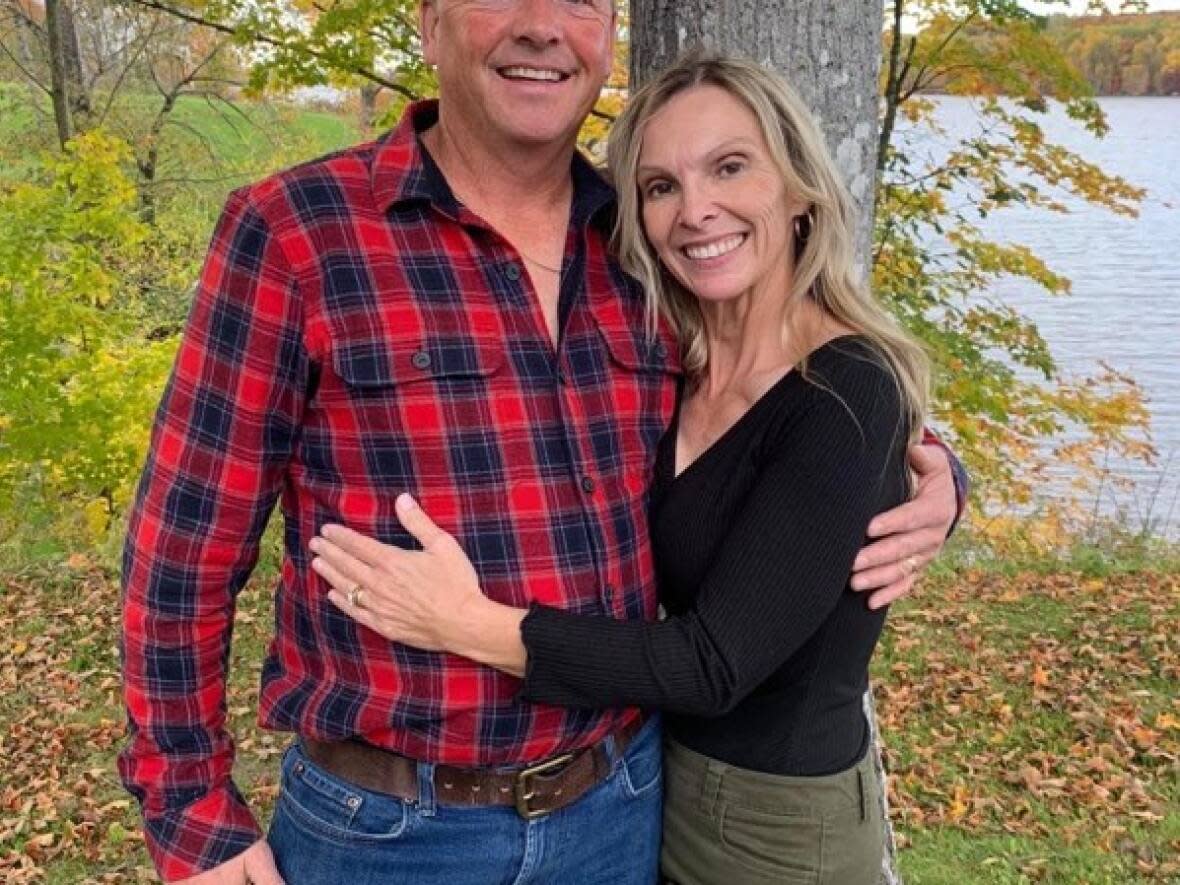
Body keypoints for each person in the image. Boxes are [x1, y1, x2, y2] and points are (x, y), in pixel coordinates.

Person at [119, 3, 964, 884]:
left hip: (622, 806)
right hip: (389, 833)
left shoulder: (641, 247)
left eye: (579, 2)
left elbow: (795, 393)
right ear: (430, 23)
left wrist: (927, 475)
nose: (541, 27)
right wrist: (190, 812)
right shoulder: (301, 234)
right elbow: (185, 543)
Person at [309, 51, 931, 885]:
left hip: (780, 827)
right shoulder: (683, 357)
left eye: (730, 167)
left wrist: (466, 622)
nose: (695, 210)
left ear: (798, 187)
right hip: (651, 785)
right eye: (660, 185)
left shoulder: (850, 390)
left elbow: (712, 663)